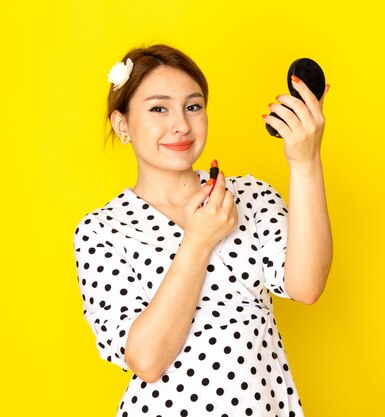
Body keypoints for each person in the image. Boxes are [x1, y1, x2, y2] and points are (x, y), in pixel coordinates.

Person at [73, 43, 332, 416]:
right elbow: (146, 359)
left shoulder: (250, 195)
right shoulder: (102, 231)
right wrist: (197, 241)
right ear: (122, 124)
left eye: (193, 106)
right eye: (158, 108)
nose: (181, 124)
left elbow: (306, 286)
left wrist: (305, 161)